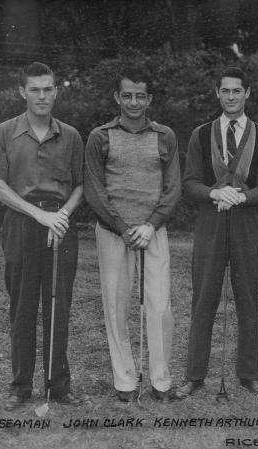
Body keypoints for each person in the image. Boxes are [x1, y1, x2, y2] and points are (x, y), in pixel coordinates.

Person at [0, 62, 84, 410]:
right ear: (22, 91)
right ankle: (20, 387)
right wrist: (40, 215)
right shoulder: (5, 132)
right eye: (35, 89)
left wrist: (61, 216)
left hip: (62, 226)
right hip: (22, 224)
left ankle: (59, 388)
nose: (42, 96)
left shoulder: (70, 135)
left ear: (56, 91)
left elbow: (81, 185)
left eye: (48, 89)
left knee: (59, 305)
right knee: (23, 307)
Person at [178, 66, 258, 398]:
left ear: (247, 93)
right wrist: (215, 193)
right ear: (217, 94)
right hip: (211, 220)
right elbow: (189, 183)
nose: (231, 97)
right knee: (203, 296)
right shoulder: (200, 134)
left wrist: (243, 196)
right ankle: (194, 375)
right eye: (225, 91)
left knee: (248, 298)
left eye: (237, 91)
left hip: (247, 223)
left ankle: (249, 374)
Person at [84, 67, 181, 402]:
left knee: (159, 306)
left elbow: (172, 188)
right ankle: (125, 380)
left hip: (153, 230)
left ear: (150, 98)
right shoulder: (100, 136)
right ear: (117, 97)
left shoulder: (165, 135)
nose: (134, 102)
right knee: (116, 305)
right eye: (127, 95)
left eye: (141, 95)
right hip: (114, 232)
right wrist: (123, 228)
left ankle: (160, 380)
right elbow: (95, 190)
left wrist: (150, 224)